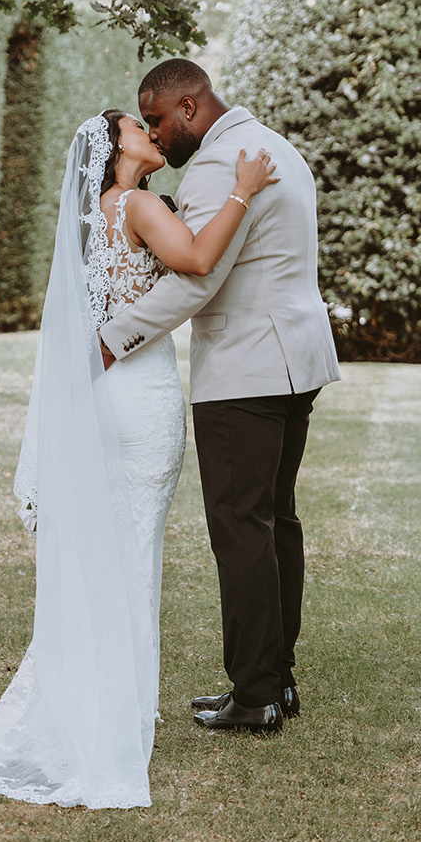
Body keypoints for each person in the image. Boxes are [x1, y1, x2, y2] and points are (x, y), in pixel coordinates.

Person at [0, 107, 278, 808]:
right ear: (113, 147)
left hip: (106, 392)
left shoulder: (98, 214)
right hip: (140, 395)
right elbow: (197, 260)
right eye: (137, 129)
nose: (153, 136)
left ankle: (99, 694)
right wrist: (243, 190)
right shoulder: (139, 204)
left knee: (111, 547)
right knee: (133, 552)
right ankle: (114, 710)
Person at [99, 58, 341, 735]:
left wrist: (113, 337)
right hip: (298, 359)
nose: (156, 134)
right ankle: (276, 679)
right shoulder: (276, 147)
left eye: (156, 120)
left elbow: (197, 276)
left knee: (240, 528)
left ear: (188, 108)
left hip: (246, 367)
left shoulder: (214, 166)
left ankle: (255, 693)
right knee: (273, 522)